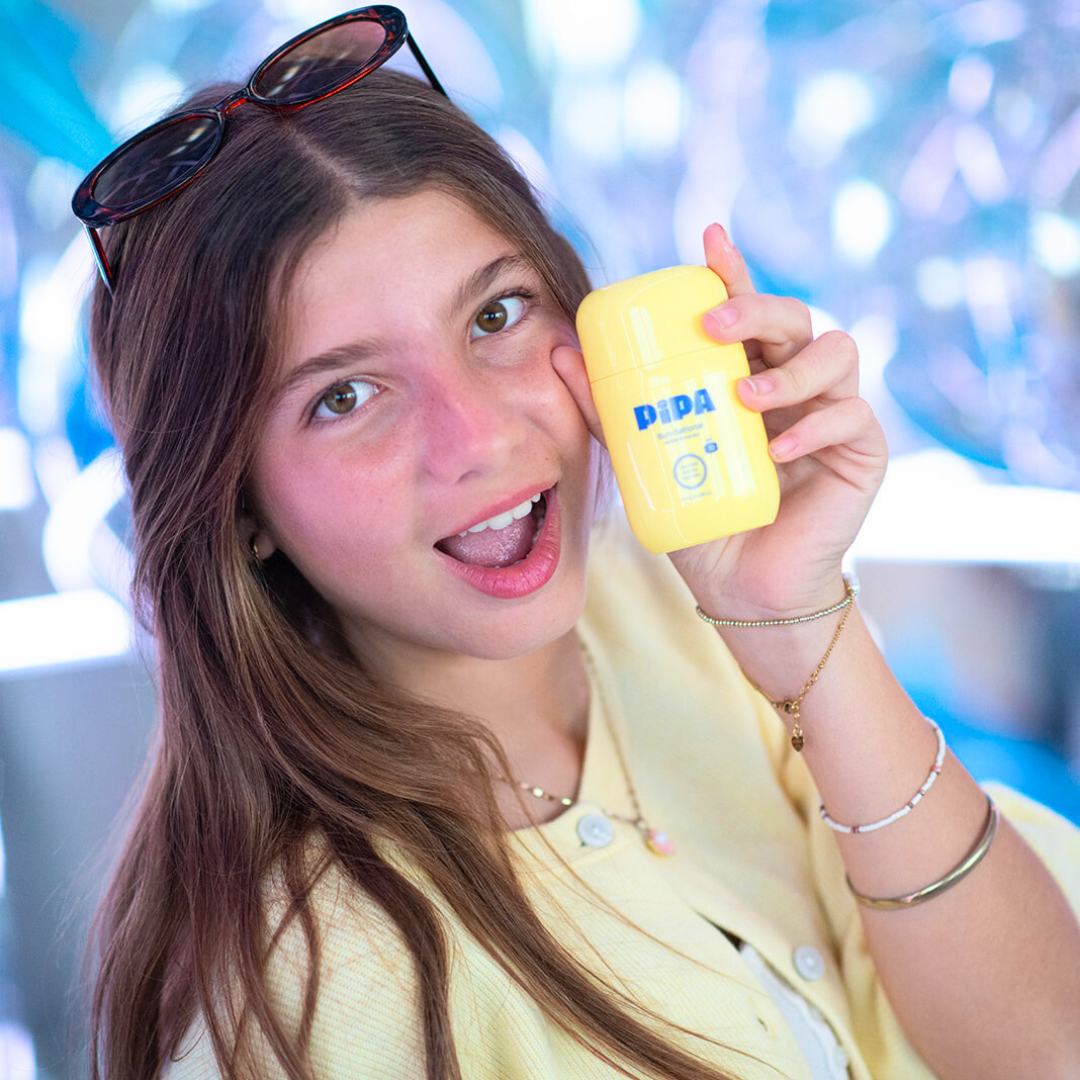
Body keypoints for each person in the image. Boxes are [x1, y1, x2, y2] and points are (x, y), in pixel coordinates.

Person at [73, 8, 1080, 1080]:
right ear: (238, 505)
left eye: (496, 316)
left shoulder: (684, 612)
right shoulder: (307, 996)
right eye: (347, 395)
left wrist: (802, 623)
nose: (481, 438)